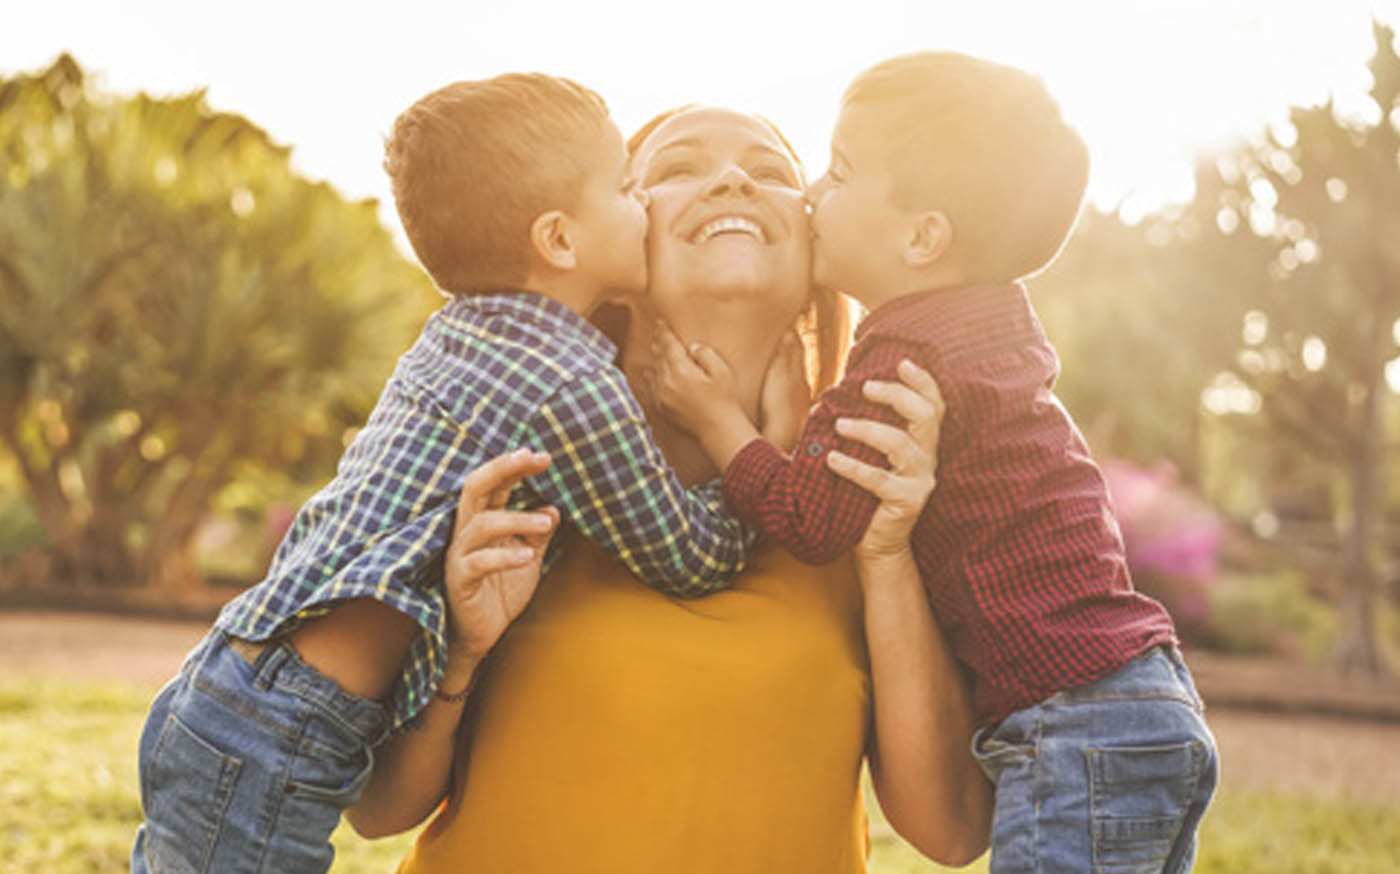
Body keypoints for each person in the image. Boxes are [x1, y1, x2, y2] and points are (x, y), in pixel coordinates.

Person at [130, 73, 760, 874]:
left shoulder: (459, 333)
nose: (645, 208)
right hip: (287, 727)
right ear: (560, 240)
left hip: (226, 686)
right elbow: (690, 556)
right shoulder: (568, 381)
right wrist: (749, 440)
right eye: (628, 187)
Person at [347, 105, 994, 873]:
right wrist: (460, 650)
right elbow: (378, 809)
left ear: (817, 246)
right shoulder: (516, 467)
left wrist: (885, 555)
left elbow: (949, 833)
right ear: (604, 242)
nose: (729, 180)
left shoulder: (872, 491)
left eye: (770, 174)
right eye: (678, 169)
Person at [651, 52, 1219, 874]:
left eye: (838, 175)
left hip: (1070, 718)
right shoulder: (993, 322)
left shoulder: (903, 350)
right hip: (1144, 701)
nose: (814, 193)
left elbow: (812, 520)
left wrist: (722, 428)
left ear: (923, 237)